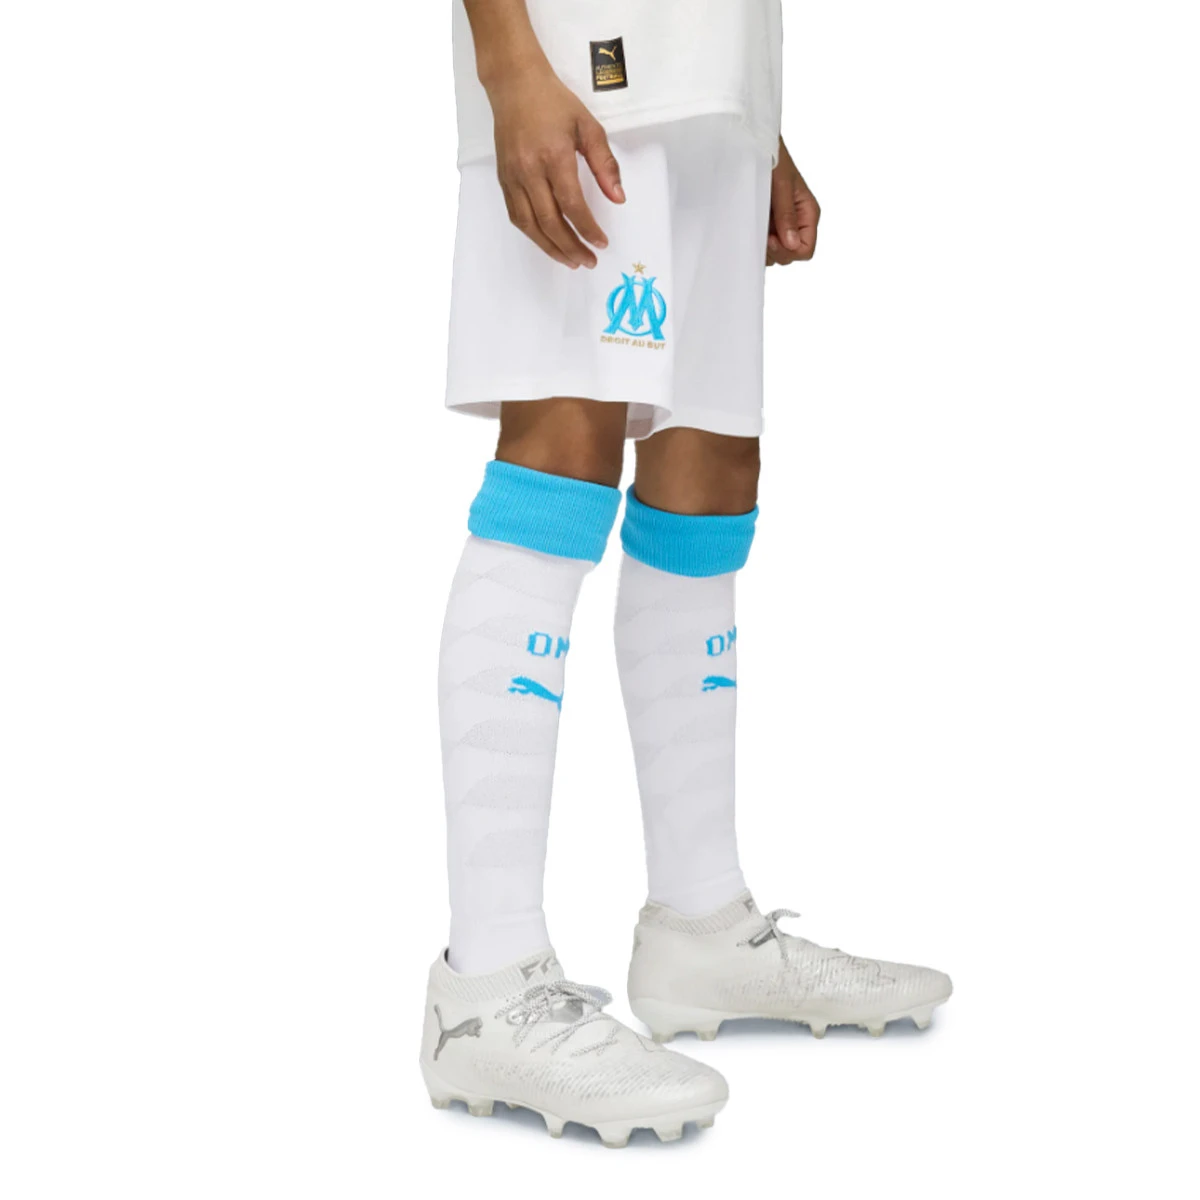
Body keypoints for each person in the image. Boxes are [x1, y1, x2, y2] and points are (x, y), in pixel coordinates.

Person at [420, 0, 951, 1147]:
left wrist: (756, 117)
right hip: (581, 73)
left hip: (712, 96)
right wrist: (509, 63)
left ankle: (701, 927)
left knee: (709, 476)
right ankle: (487, 983)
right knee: (562, 454)